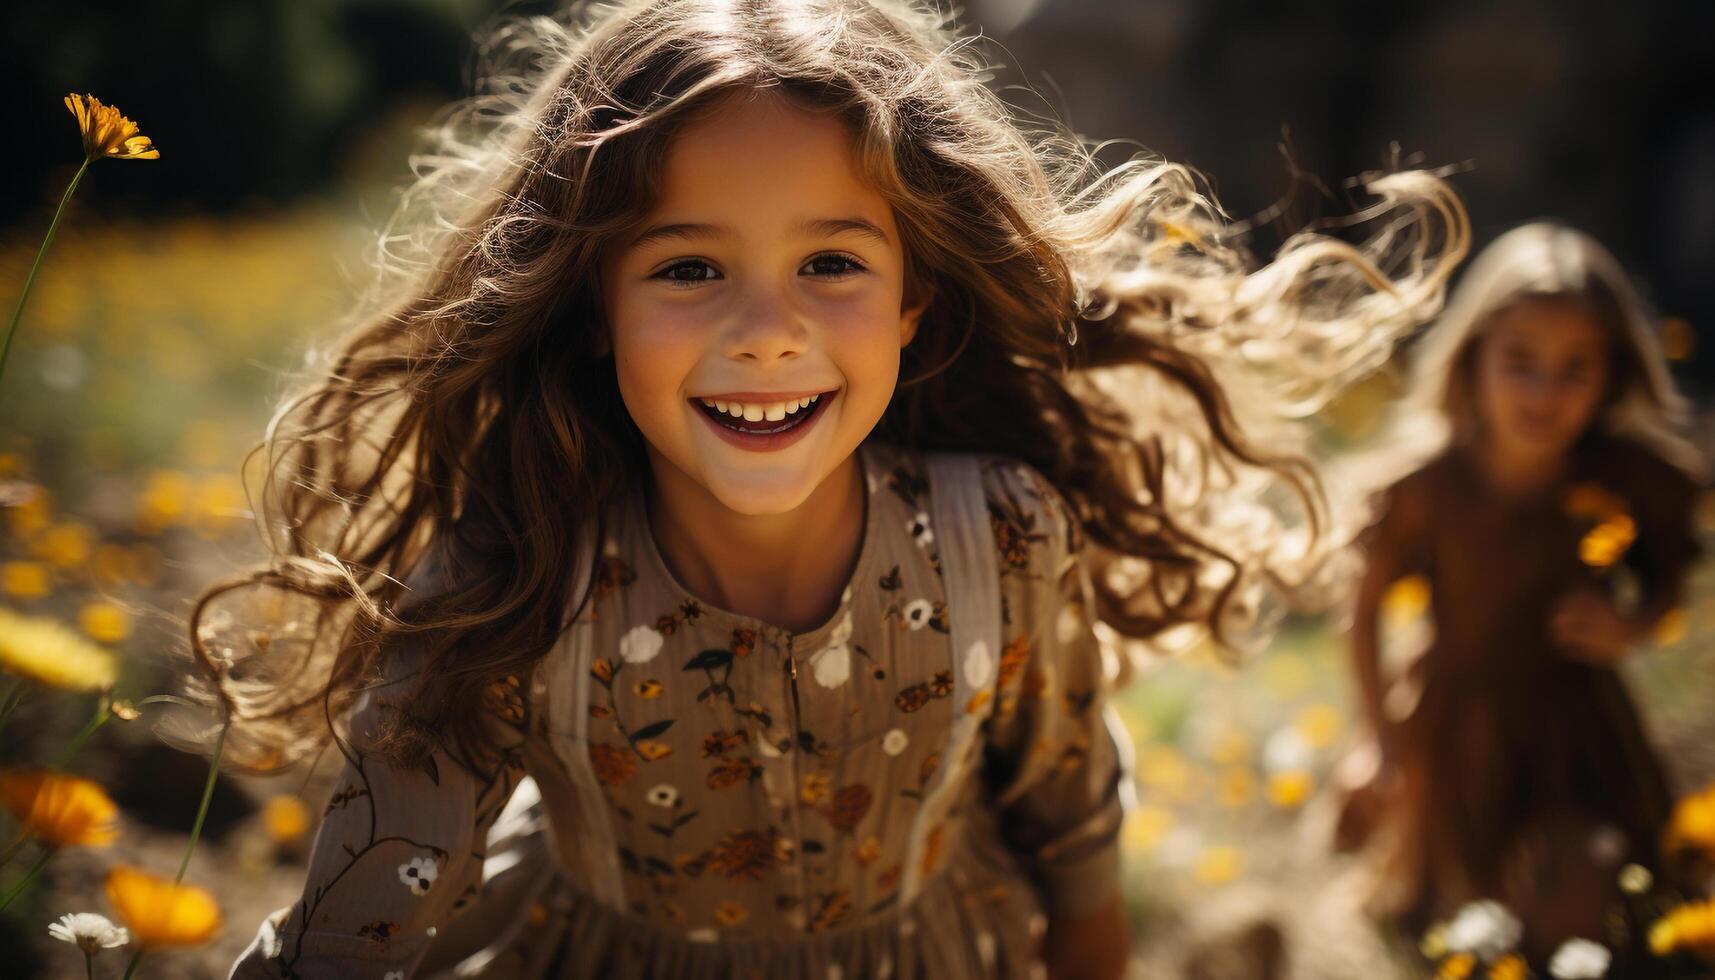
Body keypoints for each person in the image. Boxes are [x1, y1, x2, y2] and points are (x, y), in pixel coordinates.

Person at [203, 1, 1466, 976]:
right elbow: (347, 932)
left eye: (830, 262)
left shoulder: (1002, 534)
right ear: (590, 304)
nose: (767, 332)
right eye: (690, 267)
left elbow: (1070, 814)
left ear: (915, 298)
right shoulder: (512, 577)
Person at [1343, 222, 1705, 963]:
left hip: (1574, 733)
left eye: (1575, 368)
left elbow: (1671, 569)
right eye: (1520, 362)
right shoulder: (1425, 488)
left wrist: (1630, 624)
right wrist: (1377, 741)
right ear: (1473, 357)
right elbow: (1362, 610)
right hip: (1452, 731)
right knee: (1454, 923)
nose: (1545, 391)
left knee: (1577, 907)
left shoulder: (1621, 476)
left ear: (1611, 376)